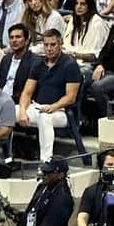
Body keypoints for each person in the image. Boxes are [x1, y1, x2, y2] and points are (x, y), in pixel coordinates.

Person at [17, 26, 81, 156]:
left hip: (61, 112)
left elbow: (71, 97)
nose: (49, 48)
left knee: (45, 118)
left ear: (60, 44)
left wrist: (54, 106)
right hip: (38, 107)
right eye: (46, 45)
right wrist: (23, 111)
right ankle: (5, 155)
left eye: (53, 44)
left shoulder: (70, 65)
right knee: (8, 110)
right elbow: (27, 92)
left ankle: (46, 162)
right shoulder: (38, 64)